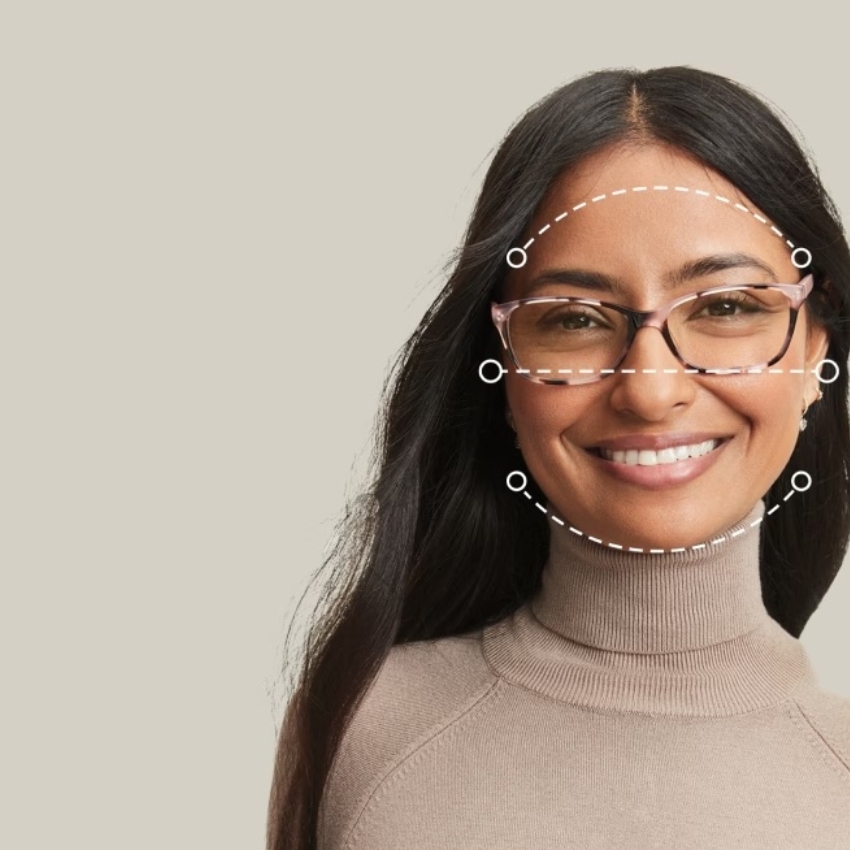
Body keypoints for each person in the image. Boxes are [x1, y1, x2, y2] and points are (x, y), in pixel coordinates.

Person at [267, 67, 850, 850]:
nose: (649, 389)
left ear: (816, 352)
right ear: (503, 371)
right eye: (574, 319)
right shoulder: (362, 728)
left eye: (725, 308)